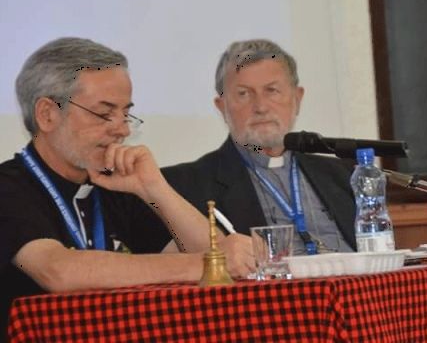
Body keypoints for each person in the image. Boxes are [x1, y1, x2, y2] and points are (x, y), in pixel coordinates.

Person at [0, 37, 254, 336]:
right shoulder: (9, 187)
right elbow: (58, 270)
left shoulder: (115, 187)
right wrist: (203, 264)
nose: (122, 130)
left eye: (125, 114)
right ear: (47, 114)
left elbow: (218, 261)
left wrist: (155, 188)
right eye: (105, 113)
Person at [162, 39, 357, 255]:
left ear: (297, 99)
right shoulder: (189, 187)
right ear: (222, 107)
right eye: (244, 94)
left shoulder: (344, 175)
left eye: (272, 91)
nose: (260, 107)